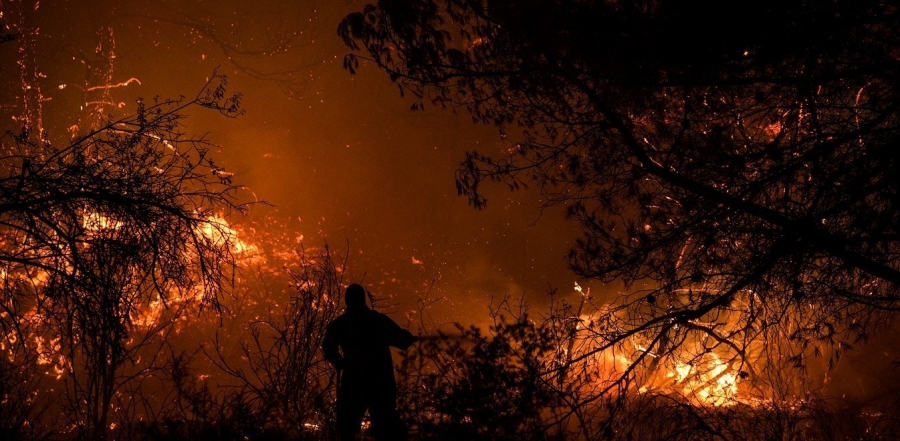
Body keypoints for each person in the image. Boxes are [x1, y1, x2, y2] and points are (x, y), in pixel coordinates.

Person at [323, 283, 418, 440]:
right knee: (385, 428)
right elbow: (402, 341)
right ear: (363, 299)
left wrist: (340, 362)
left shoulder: (340, 324)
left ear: (347, 301)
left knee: (347, 428)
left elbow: (328, 348)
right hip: (380, 380)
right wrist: (407, 337)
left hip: (354, 380)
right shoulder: (378, 321)